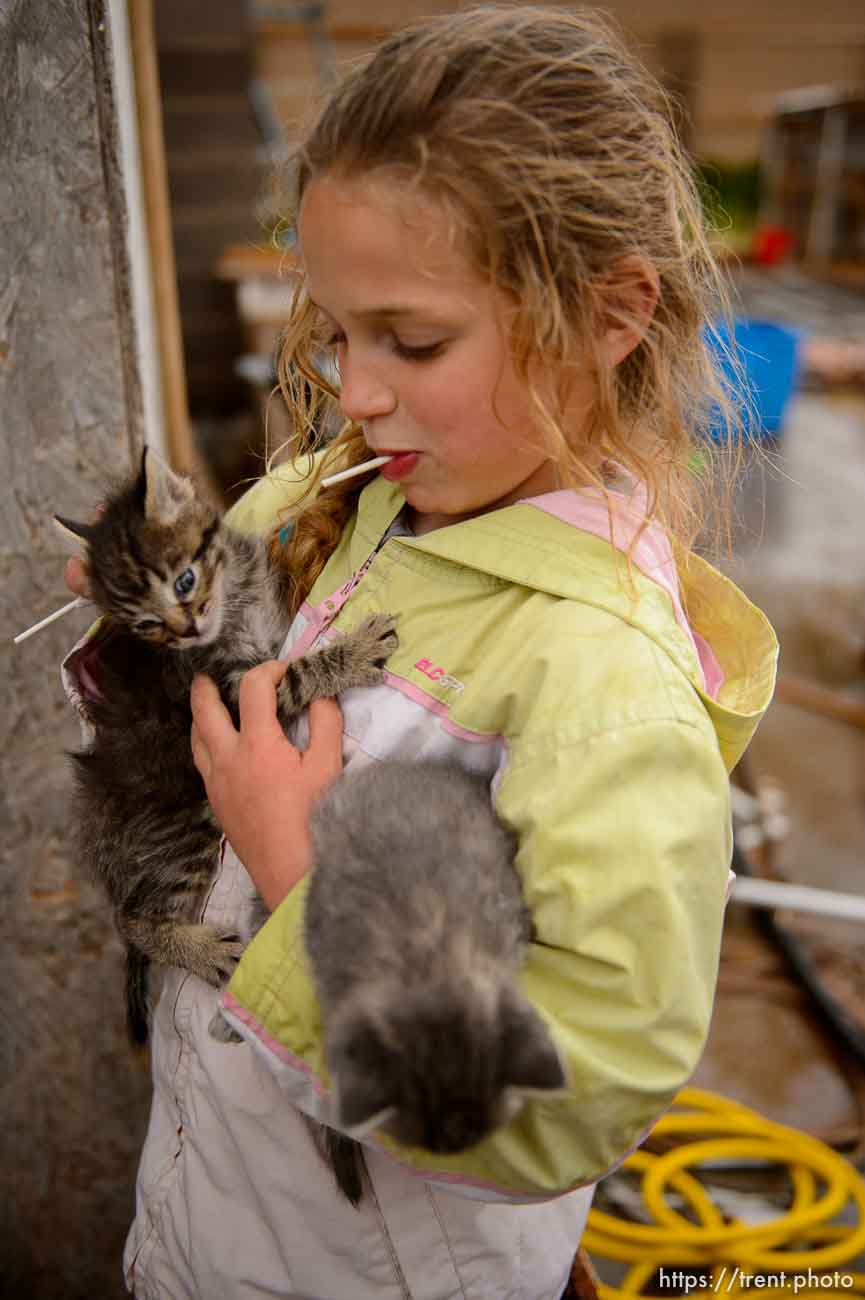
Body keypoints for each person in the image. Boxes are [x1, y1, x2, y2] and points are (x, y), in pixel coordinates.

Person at [64, 7, 777, 1298]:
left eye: (414, 340)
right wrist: (147, 636)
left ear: (612, 314)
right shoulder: (328, 499)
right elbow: (193, 689)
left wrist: (292, 864)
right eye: (334, 331)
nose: (356, 390)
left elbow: (582, 1101)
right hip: (212, 1218)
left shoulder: (599, 683)